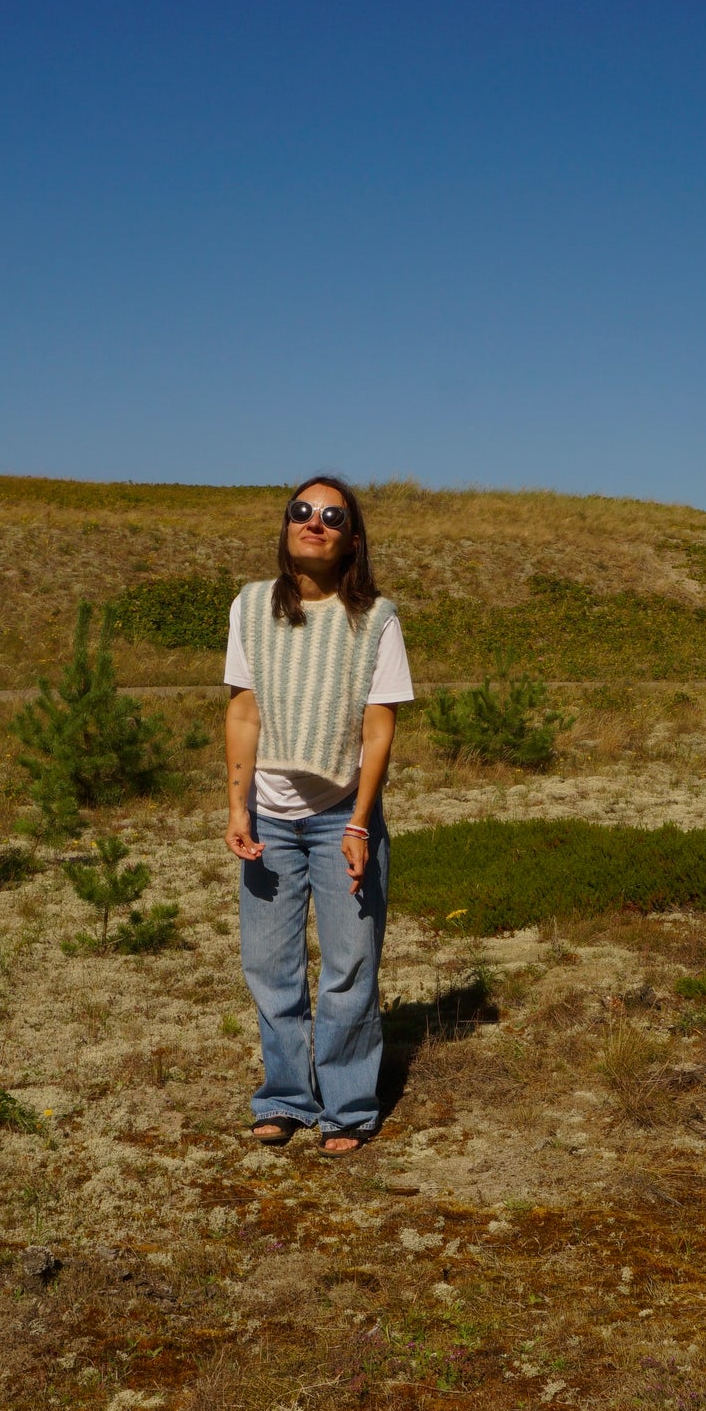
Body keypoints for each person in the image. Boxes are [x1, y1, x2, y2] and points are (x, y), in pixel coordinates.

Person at [223, 475, 413, 1153]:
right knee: (269, 966)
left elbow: (378, 730)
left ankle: (349, 1107)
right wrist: (237, 806)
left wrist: (360, 821)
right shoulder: (250, 607)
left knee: (350, 965)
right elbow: (244, 710)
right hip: (269, 817)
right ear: (285, 526)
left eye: (332, 516)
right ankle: (284, 1096)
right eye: (301, 510)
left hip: (341, 816)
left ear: (351, 539)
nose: (315, 522)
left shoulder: (376, 620)